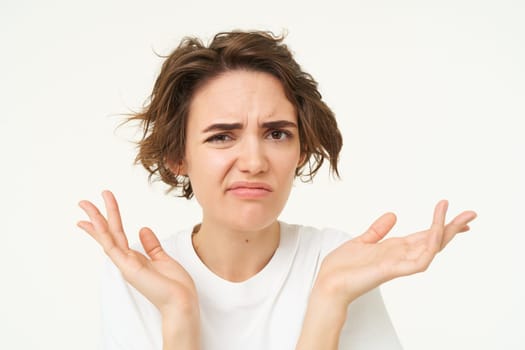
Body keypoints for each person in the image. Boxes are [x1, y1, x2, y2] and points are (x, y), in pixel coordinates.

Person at [77, 31, 477, 350]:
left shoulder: (341, 265)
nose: (254, 161)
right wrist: (179, 314)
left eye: (277, 133)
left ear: (301, 150)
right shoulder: (139, 278)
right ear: (177, 157)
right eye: (221, 137)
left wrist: (330, 300)